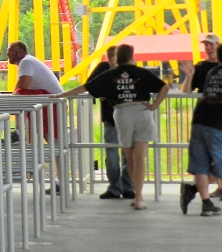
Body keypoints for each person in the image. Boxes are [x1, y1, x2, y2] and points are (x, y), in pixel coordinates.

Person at [59, 43, 168, 211]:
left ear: (117, 57)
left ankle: (133, 194)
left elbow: (86, 87)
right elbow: (164, 86)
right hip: (142, 111)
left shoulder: (110, 74)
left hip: (122, 113)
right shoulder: (142, 73)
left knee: (130, 157)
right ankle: (138, 197)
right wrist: (154, 105)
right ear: (132, 56)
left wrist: (61, 95)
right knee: (140, 158)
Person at [85, 46, 134, 201]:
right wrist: (101, 93)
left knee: (127, 155)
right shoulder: (103, 68)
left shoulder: (129, 70)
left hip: (126, 118)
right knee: (112, 155)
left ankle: (126, 187)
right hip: (111, 118)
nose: (113, 59)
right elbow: (90, 85)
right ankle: (116, 187)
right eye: (110, 56)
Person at [180, 64, 222, 216]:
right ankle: (193, 191)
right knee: (218, 164)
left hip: (200, 119)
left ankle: (206, 203)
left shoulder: (212, 71)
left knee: (201, 165)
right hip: (218, 123)